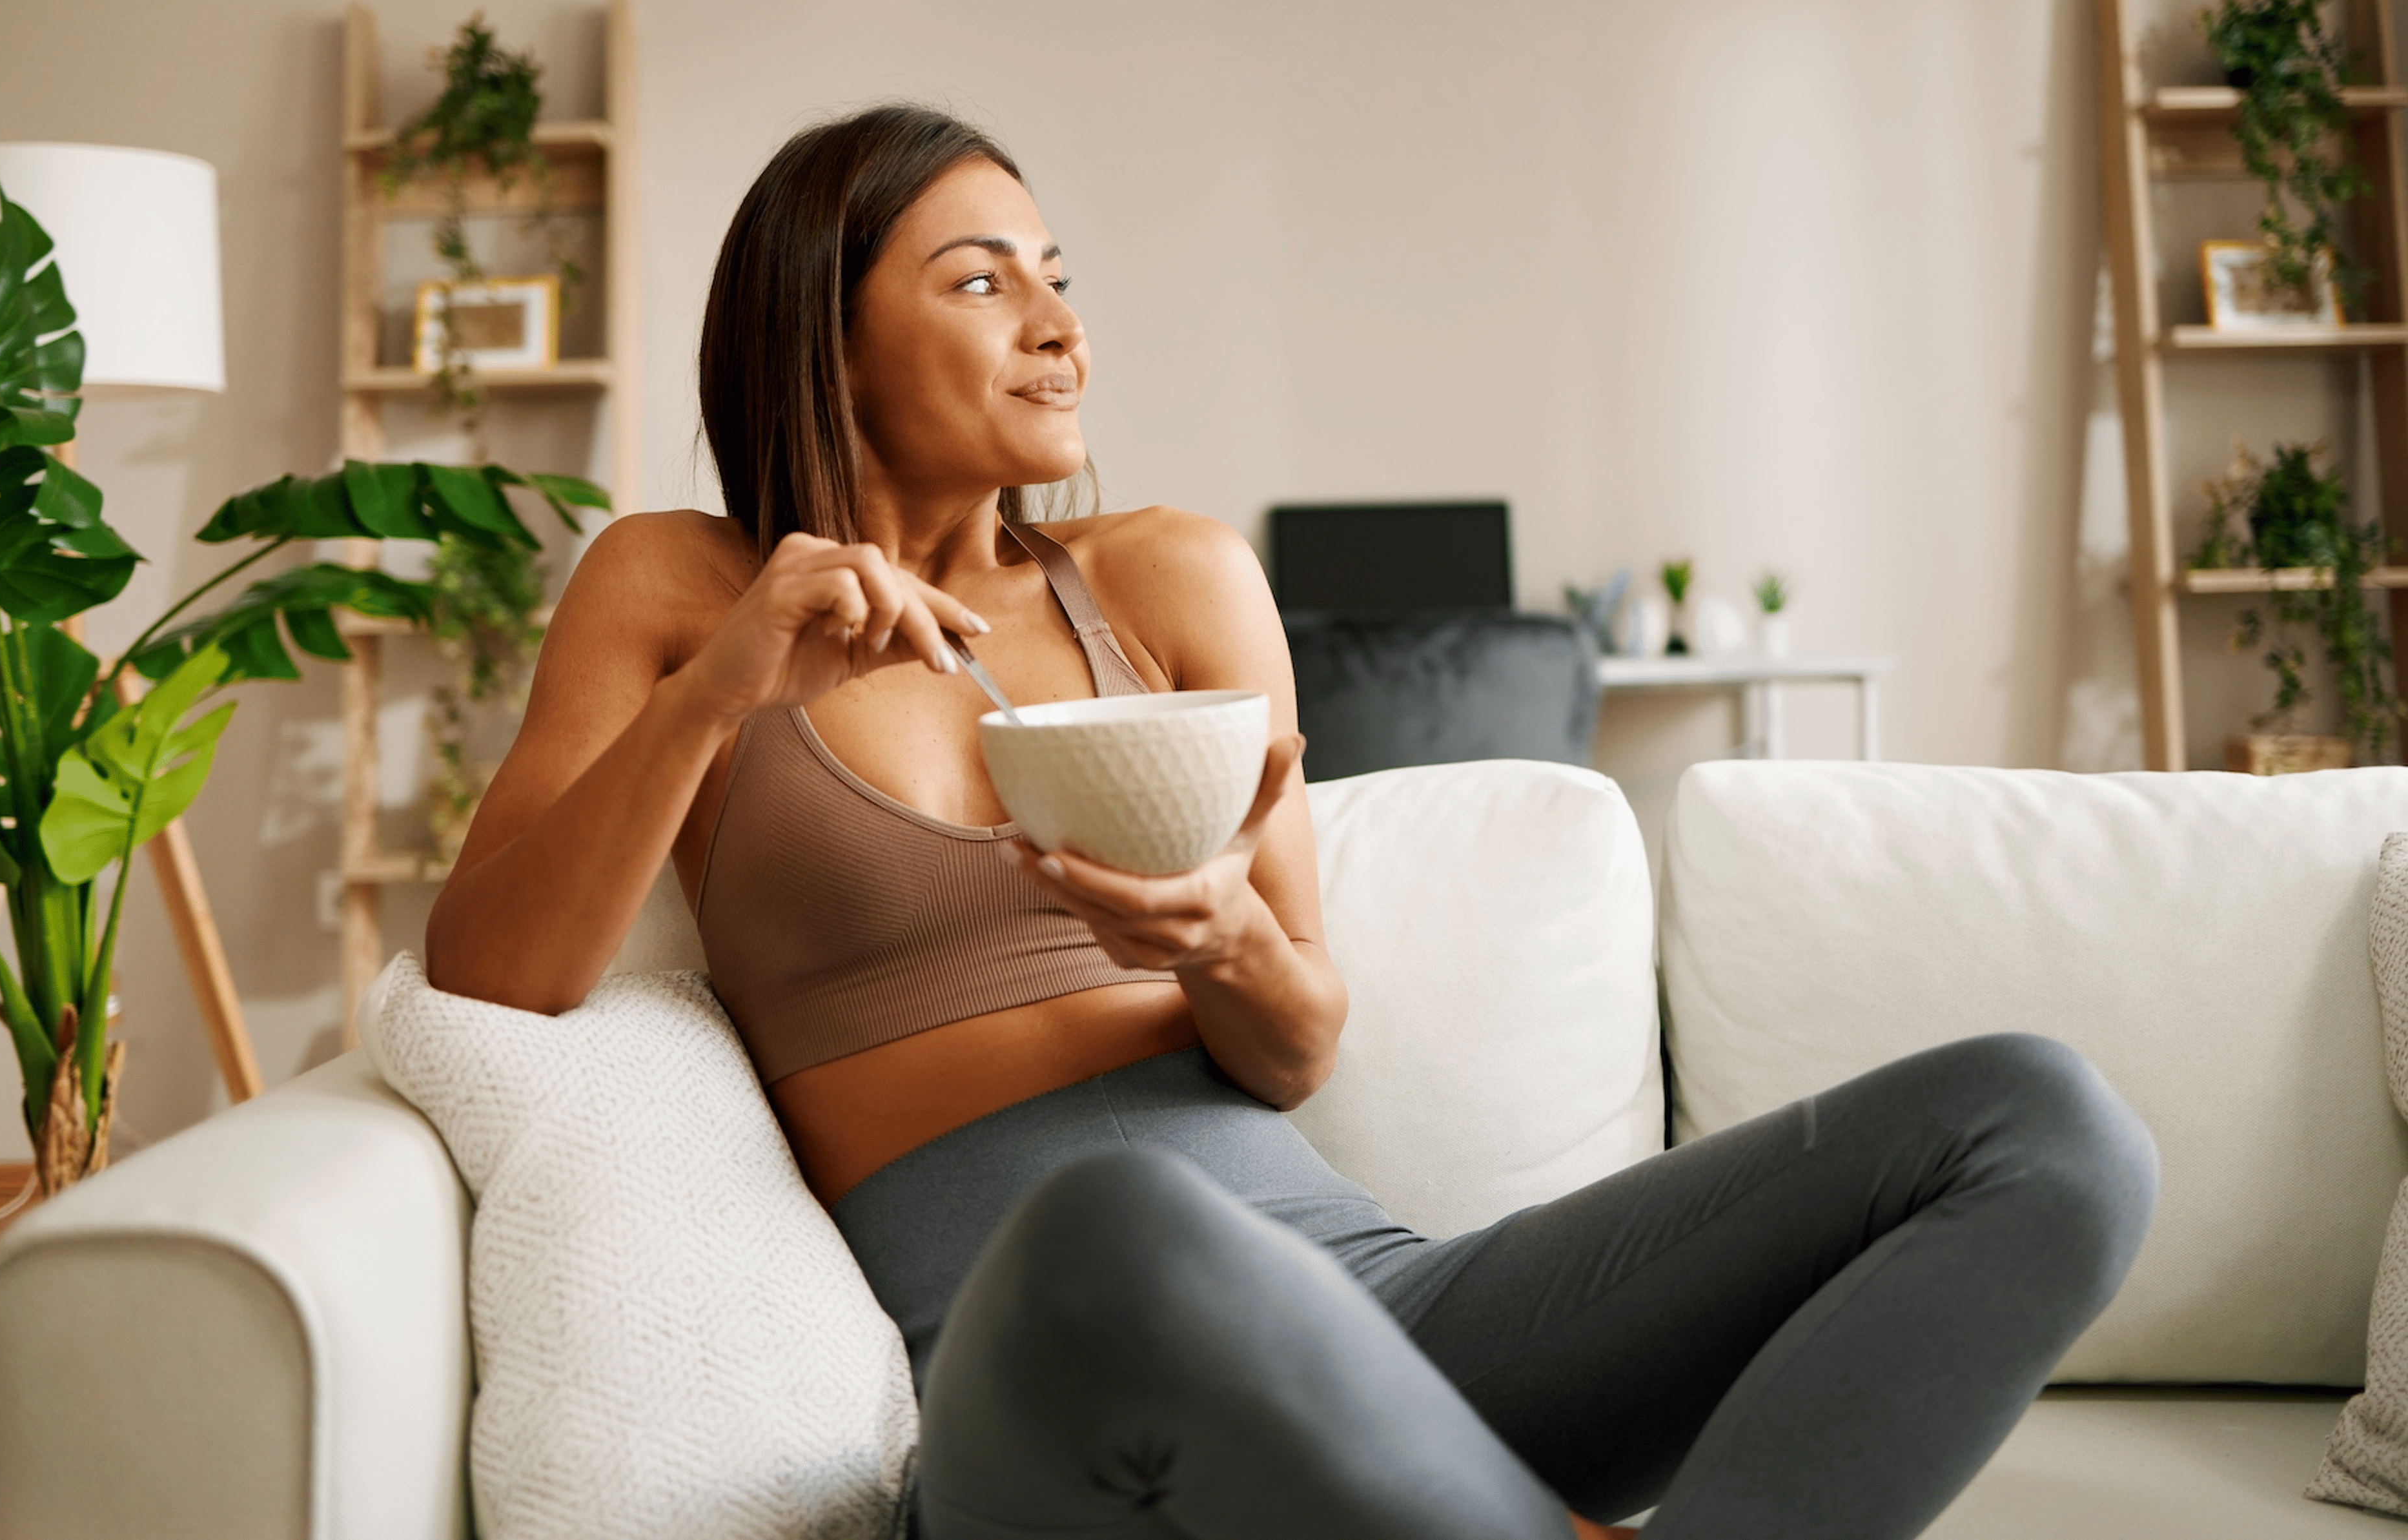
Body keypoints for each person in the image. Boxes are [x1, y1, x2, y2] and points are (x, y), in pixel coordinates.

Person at [425, 104, 2159, 1540]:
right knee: (1117, 1222)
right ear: (825, 333)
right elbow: (494, 973)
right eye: (981, 280)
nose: (1058, 325)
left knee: (2046, 1124)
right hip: (1056, 1376)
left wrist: (1223, 937)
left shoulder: (1170, 579)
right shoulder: (680, 586)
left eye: (1058, 278)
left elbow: (1298, 1043)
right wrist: (721, 692)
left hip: (1380, 1318)